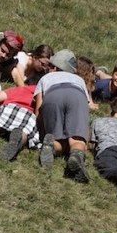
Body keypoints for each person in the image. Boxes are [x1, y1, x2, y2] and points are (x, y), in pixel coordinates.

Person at [35, 49, 91, 183]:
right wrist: (85, 140)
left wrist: (42, 133)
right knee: (76, 140)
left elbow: (39, 109)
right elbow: (85, 109)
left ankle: (51, 146)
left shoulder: (45, 78)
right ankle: (76, 155)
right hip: (76, 95)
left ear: (55, 66)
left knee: (56, 139)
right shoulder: (79, 80)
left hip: (52, 95)